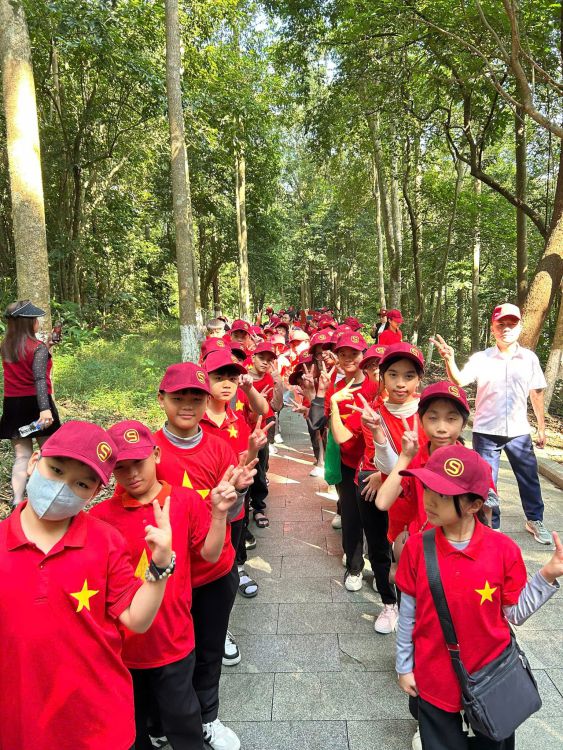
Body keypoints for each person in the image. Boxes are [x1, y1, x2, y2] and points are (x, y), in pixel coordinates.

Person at [0, 420, 173, 750]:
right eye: (56, 469)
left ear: (93, 494)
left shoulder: (105, 541)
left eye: (81, 483)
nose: (62, 487)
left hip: (99, 720)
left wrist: (161, 564)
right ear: (35, 461)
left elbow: (136, 619)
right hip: (21, 722)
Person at [395, 443, 563, 750]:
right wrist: (404, 666)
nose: (429, 500)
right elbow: (407, 613)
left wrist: (547, 575)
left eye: (442, 494)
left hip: (492, 674)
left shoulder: (503, 550)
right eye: (427, 487)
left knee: (493, 743)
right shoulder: (417, 548)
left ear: (474, 505)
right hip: (433, 673)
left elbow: (514, 613)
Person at [90, 419, 240, 750]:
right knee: (135, 720)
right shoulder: (100, 517)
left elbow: (210, 554)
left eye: (139, 462)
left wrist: (218, 514)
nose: (132, 474)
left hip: (174, 639)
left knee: (184, 718)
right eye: (121, 467)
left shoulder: (185, 501)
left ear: (156, 455)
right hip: (123, 647)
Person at [153, 362, 257, 750]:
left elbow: (230, 511)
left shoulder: (219, 447)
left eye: (196, 398)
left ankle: (208, 717)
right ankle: (161, 720)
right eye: (178, 397)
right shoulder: (148, 451)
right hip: (166, 576)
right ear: (162, 399)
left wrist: (238, 493)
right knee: (166, 654)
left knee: (209, 650)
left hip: (214, 570)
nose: (187, 405)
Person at [432, 302, 551, 544]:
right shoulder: (482, 358)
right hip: (486, 430)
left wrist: (541, 427)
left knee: (529, 477)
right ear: (493, 327)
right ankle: (491, 526)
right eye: (501, 324)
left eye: (512, 324)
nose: (506, 328)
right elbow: (460, 380)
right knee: (487, 483)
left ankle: (535, 519)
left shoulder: (529, 358)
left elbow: (536, 392)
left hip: (519, 431)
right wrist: (449, 360)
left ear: (520, 327)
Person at [308, 332, 379, 591]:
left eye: (354, 354)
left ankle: (380, 568)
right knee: (351, 515)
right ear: (336, 357)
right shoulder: (335, 389)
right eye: (343, 354)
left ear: (363, 357)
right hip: (347, 463)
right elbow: (317, 421)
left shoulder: (375, 387)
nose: (349, 359)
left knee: (377, 518)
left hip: (374, 466)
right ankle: (355, 566)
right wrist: (322, 393)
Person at [0, 300, 61, 504]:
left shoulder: (6, 346)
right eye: (35, 319)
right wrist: (45, 409)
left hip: (13, 406)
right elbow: (39, 378)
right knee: (48, 452)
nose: (38, 322)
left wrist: (47, 346)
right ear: (30, 323)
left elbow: (25, 366)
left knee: (22, 456)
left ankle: (17, 500)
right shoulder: (37, 348)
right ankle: (45, 498)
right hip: (37, 404)